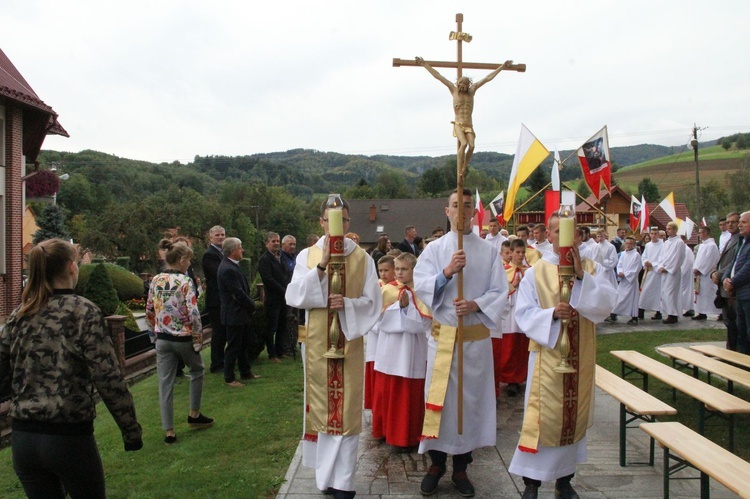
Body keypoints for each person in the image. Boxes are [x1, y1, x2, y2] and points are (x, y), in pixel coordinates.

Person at [0, 239, 143, 498]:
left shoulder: (20, 314)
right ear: (70, 267)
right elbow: (108, 377)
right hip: (69, 439)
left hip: (24, 439)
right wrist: (131, 430)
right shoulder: (83, 311)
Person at [509, 214, 617, 499]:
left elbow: (606, 304)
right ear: (550, 235)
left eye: (569, 232)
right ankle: (531, 483)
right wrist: (551, 314)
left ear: (579, 237)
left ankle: (564, 479)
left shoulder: (592, 268)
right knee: (543, 418)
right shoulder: (537, 271)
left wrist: (582, 277)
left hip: (579, 357)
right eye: (557, 231)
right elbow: (523, 313)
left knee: (572, 417)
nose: (563, 237)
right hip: (547, 355)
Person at [285, 198, 382, 499]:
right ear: (322, 223)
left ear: (350, 223)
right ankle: (326, 477)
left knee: (348, 408)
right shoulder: (308, 255)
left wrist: (348, 305)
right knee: (322, 408)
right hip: (316, 343)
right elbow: (293, 294)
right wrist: (323, 265)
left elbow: (374, 303)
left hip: (348, 343)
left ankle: (344, 482)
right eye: (331, 220)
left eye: (344, 220)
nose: (338, 225)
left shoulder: (364, 258)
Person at [414, 188, 507, 497]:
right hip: (443, 343)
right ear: (447, 211)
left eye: (467, 206)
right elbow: (421, 285)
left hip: (474, 344)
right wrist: (447, 272)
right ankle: (436, 464)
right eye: (456, 205)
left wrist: (476, 305)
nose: (462, 211)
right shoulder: (434, 250)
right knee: (440, 404)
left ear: (473, 211)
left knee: (469, 406)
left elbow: (499, 291)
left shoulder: (489, 251)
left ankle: (462, 468)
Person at [147, 239, 214, 444]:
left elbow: (150, 309)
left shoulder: (156, 280)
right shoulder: (185, 282)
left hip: (162, 339)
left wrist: (153, 335)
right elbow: (193, 313)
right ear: (182, 259)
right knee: (197, 370)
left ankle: (169, 431)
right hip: (183, 337)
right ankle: (194, 414)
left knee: (165, 383)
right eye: (188, 261)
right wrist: (197, 339)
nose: (189, 265)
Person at [372, 253, 431, 450]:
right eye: (397, 269)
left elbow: (425, 323)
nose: (399, 273)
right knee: (386, 390)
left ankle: (406, 437)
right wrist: (400, 307)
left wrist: (407, 309)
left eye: (404, 269)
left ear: (414, 270)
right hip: (389, 348)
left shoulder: (422, 291)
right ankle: (384, 431)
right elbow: (377, 321)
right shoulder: (387, 290)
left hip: (411, 350)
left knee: (407, 395)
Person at [415, 56, 513, 170]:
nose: (464, 87)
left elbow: (487, 78)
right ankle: (459, 167)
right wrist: (424, 64)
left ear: (468, 85)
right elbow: (438, 76)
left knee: (471, 146)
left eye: (466, 85)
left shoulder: (472, 91)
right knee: (464, 144)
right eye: (462, 85)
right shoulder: (453, 89)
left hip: (469, 124)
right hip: (458, 123)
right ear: (458, 84)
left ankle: (464, 166)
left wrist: (502, 67)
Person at [218, 237, 258, 387]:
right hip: (234, 314)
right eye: (240, 248)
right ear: (233, 251)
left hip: (240, 314)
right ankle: (229, 378)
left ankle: (245, 372)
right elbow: (237, 293)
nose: (242, 250)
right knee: (234, 347)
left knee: (243, 346)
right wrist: (252, 305)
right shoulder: (227, 269)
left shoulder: (232, 265)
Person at [495, 238, 530, 398]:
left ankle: (520, 376)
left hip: (525, 312)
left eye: (523, 252)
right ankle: (510, 378)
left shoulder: (530, 271)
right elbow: (500, 292)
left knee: (522, 345)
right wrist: (513, 286)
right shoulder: (505, 270)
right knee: (509, 346)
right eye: (517, 252)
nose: (520, 255)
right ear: (511, 252)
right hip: (509, 314)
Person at [365, 255, 396, 414]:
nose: (383, 274)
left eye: (386, 270)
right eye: (380, 270)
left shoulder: (398, 288)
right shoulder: (376, 287)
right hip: (377, 335)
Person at [258, 231, 292, 363]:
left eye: (278, 241)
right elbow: (268, 279)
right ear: (267, 244)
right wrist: (284, 290)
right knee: (272, 327)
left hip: (284, 297)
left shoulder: (281, 257)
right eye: (273, 241)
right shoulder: (264, 260)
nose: (276, 243)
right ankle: (272, 354)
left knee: (282, 325)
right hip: (273, 298)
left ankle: (280, 350)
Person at [712, 212, 741, 350]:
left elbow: (733, 263)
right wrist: (714, 271)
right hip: (724, 286)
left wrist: (720, 274)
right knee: (728, 323)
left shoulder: (739, 240)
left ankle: (733, 352)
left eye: (733, 222)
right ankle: (730, 350)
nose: (730, 224)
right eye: (728, 222)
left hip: (732, 287)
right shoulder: (730, 238)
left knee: (735, 324)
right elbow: (723, 261)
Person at [722, 211, 750, 354]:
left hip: (747, 294)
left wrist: (732, 281)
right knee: (741, 333)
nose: (739, 225)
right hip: (739, 294)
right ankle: (743, 367)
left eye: (743, 222)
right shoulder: (741, 242)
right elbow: (733, 264)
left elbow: (747, 269)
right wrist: (725, 278)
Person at [202, 225, 227, 374]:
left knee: (224, 332)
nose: (220, 237)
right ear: (211, 237)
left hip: (224, 299)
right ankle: (216, 364)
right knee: (218, 333)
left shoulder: (224, 253)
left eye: (222, 235)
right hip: (216, 300)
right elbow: (220, 274)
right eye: (217, 235)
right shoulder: (209, 255)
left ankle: (224, 360)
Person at [607, 236, 643, 324]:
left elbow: (636, 268)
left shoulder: (636, 255)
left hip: (631, 281)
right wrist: (620, 272)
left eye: (630, 243)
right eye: (627, 243)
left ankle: (634, 317)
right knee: (619, 297)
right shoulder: (623, 254)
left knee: (631, 299)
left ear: (634, 244)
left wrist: (626, 274)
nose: (628, 245)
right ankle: (613, 314)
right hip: (623, 280)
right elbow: (619, 265)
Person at [658, 222, 685, 324]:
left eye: (669, 229)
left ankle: (673, 314)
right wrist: (661, 266)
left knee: (671, 293)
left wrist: (668, 268)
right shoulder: (666, 243)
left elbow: (678, 258)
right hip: (665, 270)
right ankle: (669, 313)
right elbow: (661, 256)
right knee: (665, 292)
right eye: (667, 228)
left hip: (672, 272)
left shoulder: (679, 243)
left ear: (675, 230)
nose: (667, 230)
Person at [693, 226, 721, 321]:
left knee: (710, 294)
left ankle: (720, 312)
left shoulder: (711, 246)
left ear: (705, 233)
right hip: (700, 275)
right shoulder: (702, 245)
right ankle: (701, 312)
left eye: (700, 232)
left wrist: (700, 269)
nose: (698, 234)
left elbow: (709, 260)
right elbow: (699, 259)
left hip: (707, 274)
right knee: (701, 294)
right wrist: (695, 268)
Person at [638, 227, 664, 320]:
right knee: (645, 291)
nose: (653, 236)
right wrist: (645, 262)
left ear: (658, 234)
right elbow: (644, 256)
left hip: (657, 273)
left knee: (658, 293)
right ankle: (641, 311)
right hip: (648, 272)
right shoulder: (648, 245)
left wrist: (652, 264)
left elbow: (663, 258)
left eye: (655, 234)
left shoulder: (663, 245)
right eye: (652, 234)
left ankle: (658, 312)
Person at [680, 235, 696, 317]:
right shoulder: (681, 249)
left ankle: (689, 308)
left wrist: (680, 273)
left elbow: (686, 263)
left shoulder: (687, 250)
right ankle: (684, 308)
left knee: (686, 291)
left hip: (685, 274)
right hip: (681, 273)